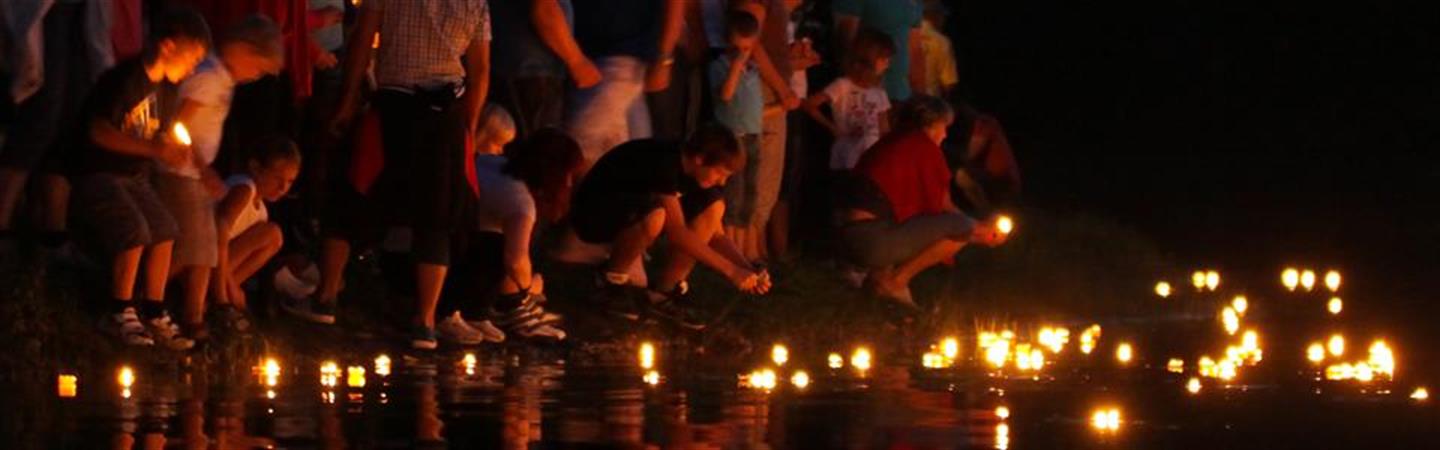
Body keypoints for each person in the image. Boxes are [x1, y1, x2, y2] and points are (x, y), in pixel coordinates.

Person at [322, 0, 492, 349]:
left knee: (354, 194)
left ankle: (325, 297)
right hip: (445, 114)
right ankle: (425, 321)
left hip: (392, 106)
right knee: (435, 217)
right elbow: (481, 71)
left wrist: (348, 99)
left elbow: (361, 42)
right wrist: (470, 127)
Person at [70, 7, 211, 349]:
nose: (194, 67)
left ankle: (154, 310)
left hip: (133, 178)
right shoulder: (126, 79)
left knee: (166, 229)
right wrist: (154, 149)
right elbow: (99, 131)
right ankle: (118, 311)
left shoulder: (165, 91)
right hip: (100, 173)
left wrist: (171, 147)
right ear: (167, 47)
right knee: (136, 229)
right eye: (192, 57)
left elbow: (154, 138)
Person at [155, 14, 284, 338]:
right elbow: (176, 123)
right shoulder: (208, 77)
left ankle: (195, 316)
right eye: (257, 68)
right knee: (192, 248)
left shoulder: (221, 79)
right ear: (242, 50)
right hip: (180, 171)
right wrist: (203, 170)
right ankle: (149, 301)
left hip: (192, 173)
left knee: (204, 248)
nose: (255, 77)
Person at [569, 124, 771, 330]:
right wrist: (730, 271)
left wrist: (746, 268)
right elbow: (677, 233)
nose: (723, 181)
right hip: (595, 212)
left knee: (713, 207)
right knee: (656, 215)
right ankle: (611, 282)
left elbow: (716, 234)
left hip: (633, 211)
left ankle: (664, 294)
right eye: (720, 173)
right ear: (699, 159)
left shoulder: (697, 174)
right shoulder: (664, 162)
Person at [839, 95, 1006, 308]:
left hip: (849, 238)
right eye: (944, 127)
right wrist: (980, 229)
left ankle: (877, 279)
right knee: (961, 225)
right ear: (931, 124)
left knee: (948, 225)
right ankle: (895, 283)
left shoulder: (891, 141)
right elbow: (945, 209)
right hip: (871, 240)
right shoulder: (924, 148)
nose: (945, 134)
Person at [445, 125, 582, 343]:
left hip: (416, 249)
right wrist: (530, 289)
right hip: (429, 260)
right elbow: (515, 260)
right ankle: (454, 313)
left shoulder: (494, 164)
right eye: (568, 174)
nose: (569, 182)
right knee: (498, 247)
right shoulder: (519, 200)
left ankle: (479, 313)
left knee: (500, 240)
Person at [567, 0, 686, 162]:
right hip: (603, 58)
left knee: (580, 151)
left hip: (619, 56)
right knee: (628, 156)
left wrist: (664, 59)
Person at [213, 136, 300, 331]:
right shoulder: (244, 189)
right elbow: (218, 234)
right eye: (278, 178)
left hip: (219, 269)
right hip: (202, 260)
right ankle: (222, 297)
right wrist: (230, 285)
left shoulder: (262, 211)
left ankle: (221, 295)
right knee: (272, 233)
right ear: (255, 167)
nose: (283, 188)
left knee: (273, 236)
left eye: (290, 182)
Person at [488, 0, 601, 138]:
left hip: (515, 69)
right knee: (537, 151)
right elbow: (544, 9)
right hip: (531, 75)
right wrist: (577, 62)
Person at [709, 11, 769, 262]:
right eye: (738, 47)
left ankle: (746, 251)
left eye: (747, 47)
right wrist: (735, 66)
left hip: (753, 135)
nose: (742, 52)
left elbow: (754, 104)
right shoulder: (720, 65)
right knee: (733, 193)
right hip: (733, 136)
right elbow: (725, 95)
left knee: (750, 193)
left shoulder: (753, 70)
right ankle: (730, 250)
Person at [802, 28, 893, 171]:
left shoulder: (879, 92)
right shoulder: (843, 85)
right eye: (884, 59)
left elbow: (884, 129)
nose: (887, 64)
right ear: (870, 58)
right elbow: (809, 104)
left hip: (871, 157)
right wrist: (832, 127)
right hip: (847, 154)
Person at [833, 0, 923, 102]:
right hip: (866, 93)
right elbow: (845, 41)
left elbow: (915, 50)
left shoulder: (915, 3)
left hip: (901, 93)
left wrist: (920, 96)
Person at [943, 101, 1022, 216]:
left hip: (1003, 182)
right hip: (991, 180)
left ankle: (986, 214)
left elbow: (969, 155)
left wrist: (942, 148)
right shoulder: (973, 127)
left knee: (962, 175)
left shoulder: (984, 123)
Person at [913, 1, 958, 98]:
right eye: (943, 16)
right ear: (935, 15)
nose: (944, 20)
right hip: (931, 102)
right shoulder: (942, 42)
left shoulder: (905, 36)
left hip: (906, 100)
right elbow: (949, 83)